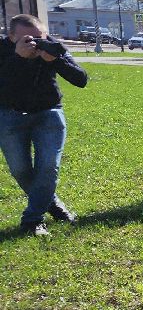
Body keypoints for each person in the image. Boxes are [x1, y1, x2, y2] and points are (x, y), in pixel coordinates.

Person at [0, 14, 88, 236]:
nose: (34, 43)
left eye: (39, 37)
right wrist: (19, 58)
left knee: (48, 167)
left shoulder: (51, 48)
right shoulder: (3, 50)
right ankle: (52, 203)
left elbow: (81, 79)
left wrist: (56, 60)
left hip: (48, 113)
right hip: (10, 115)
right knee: (20, 170)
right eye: (27, 38)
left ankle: (32, 220)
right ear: (11, 37)